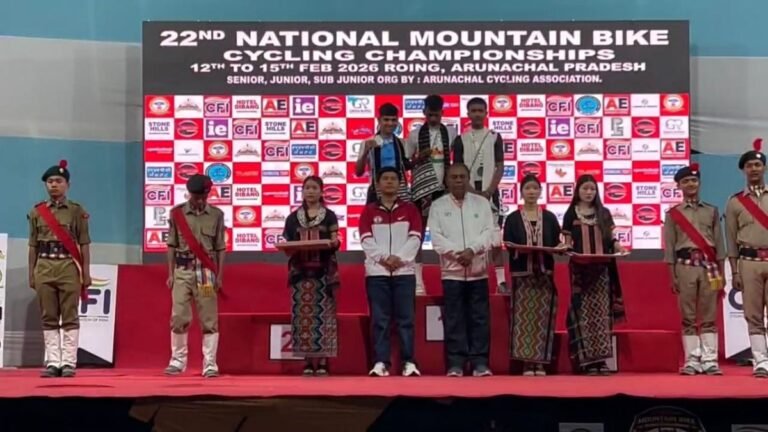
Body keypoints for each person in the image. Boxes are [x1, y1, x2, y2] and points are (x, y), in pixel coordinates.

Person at [429, 163, 495, 377]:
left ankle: (480, 363)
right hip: (452, 273)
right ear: (447, 180)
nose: (458, 180)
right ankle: (456, 363)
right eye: (454, 177)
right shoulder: (438, 206)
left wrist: (472, 250)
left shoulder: (482, 203)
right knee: (454, 319)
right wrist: (459, 254)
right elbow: (437, 238)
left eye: (462, 176)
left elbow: (489, 232)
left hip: (478, 272)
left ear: (468, 178)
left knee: (480, 319)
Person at [28, 160, 91, 378]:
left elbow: (84, 243)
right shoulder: (37, 212)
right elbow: (33, 245)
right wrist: (31, 273)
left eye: (58, 181)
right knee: (49, 316)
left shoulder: (76, 211)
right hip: (44, 267)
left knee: (70, 316)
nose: (54, 185)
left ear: (67, 185)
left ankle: (69, 362)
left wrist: (86, 273)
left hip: (68, 267)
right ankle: (53, 362)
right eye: (50, 181)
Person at [663, 163, 726, 375]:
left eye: (694, 180)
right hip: (685, 267)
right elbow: (669, 247)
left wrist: (722, 272)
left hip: (710, 267)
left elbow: (719, 244)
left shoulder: (712, 211)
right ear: (679, 186)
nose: (690, 184)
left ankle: (710, 359)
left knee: (709, 315)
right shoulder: (673, 214)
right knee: (687, 316)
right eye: (686, 181)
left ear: (699, 183)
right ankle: (692, 359)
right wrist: (672, 275)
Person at [562, 174, 627, 375]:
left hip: (602, 271)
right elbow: (567, 242)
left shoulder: (604, 213)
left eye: (592, 189)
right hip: (580, 272)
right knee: (583, 315)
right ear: (578, 191)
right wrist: (565, 248)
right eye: (585, 189)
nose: (589, 192)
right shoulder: (571, 213)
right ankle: (587, 362)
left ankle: (601, 361)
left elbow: (611, 240)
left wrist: (619, 246)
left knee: (601, 315)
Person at [360, 167, 422, 377]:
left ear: (399, 184)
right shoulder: (369, 211)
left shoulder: (410, 210)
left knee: (406, 320)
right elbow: (366, 240)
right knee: (380, 320)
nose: (389, 182)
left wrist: (399, 259)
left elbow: (415, 238)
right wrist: (385, 258)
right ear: (378, 184)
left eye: (393, 179)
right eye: (385, 179)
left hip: (404, 273)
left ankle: (409, 362)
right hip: (377, 273)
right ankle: (380, 362)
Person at [164, 174, 226, 378]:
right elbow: (171, 245)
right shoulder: (177, 213)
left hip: (206, 273)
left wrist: (219, 276)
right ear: (189, 193)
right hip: (182, 271)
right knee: (178, 316)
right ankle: (177, 361)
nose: (199, 200)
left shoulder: (216, 215)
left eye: (203, 197)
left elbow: (220, 247)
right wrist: (170, 273)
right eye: (196, 196)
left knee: (209, 319)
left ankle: (210, 363)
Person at [503, 174, 563, 376]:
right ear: (521, 192)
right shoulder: (512, 218)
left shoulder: (549, 217)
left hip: (545, 274)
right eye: (527, 188)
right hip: (523, 274)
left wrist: (561, 247)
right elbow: (508, 244)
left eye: (535, 188)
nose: (531, 192)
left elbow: (556, 243)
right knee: (523, 320)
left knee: (543, 318)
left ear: (540, 192)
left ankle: (541, 362)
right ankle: (527, 363)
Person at [282, 175, 340, 376]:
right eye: (307, 188)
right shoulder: (292, 218)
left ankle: (323, 362)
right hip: (301, 274)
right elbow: (287, 244)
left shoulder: (329, 216)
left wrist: (333, 243)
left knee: (325, 317)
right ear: (302, 191)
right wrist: (290, 248)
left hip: (324, 273)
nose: (311, 191)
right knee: (303, 318)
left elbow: (335, 240)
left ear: (321, 191)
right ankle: (307, 361)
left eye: (315, 188)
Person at [452, 97, 507, 294]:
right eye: (473, 110)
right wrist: (472, 192)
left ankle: (501, 281)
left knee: (495, 239)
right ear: (468, 114)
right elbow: (458, 169)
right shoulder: (461, 139)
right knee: (471, 237)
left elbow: (500, 166)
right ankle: (474, 277)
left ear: (485, 113)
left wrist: (490, 190)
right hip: (467, 194)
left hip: (490, 193)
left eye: (480, 110)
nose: (476, 114)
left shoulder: (494, 137)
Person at [725, 138, 768, 378]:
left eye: (757, 165)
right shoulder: (734, 202)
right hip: (748, 263)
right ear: (743, 170)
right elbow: (731, 239)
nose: (754, 169)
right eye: (749, 165)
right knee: (753, 314)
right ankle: (761, 361)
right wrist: (735, 271)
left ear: (764, 168)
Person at [405, 95, 457, 295]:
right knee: (418, 234)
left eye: (437, 115)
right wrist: (419, 158)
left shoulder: (451, 133)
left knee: (447, 234)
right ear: (424, 113)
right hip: (421, 190)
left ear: (442, 113)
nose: (433, 118)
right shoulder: (414, 135)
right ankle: (418, 281)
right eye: (430, 115)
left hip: (444, 189)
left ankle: (449, 276)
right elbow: (406, 163)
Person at [356, 102, 410, 204]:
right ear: (379, 120)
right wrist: (365, 152)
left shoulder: (402, 143)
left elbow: (407, 167)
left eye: (393, 120)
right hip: (377, 193)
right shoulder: (367, 142)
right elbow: (359, 172)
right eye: (386, 119)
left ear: (397, 121)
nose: (390, 123)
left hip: (400, 193)